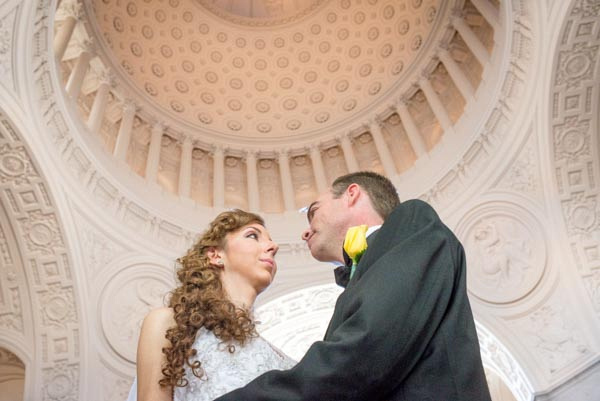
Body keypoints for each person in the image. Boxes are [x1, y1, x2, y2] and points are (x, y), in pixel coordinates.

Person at [216, 171, 491, 400]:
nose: (305, 231)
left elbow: (364, 352)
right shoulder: (358, 279)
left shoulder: (413, 221)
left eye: (314, 211)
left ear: (352, 194)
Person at [126, 209, 294, 401]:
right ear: (215, 255)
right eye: (253, 235)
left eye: (270, 240)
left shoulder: (279, 357)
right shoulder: (169, 325)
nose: (274, 246)